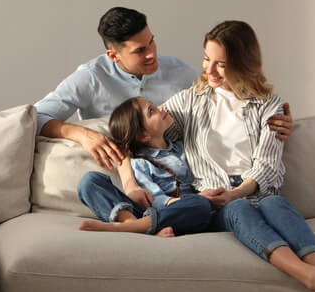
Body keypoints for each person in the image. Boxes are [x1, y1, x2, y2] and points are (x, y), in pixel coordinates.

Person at [160, 20, 315, 292]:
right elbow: (145, 131)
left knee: (275, 203)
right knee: (237, 209)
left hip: (256, 190)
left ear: (243, 63)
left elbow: (268, 164)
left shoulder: (270, 106)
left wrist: (239, 191)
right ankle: (311, 277)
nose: (210, 71)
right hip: (214, 198)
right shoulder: (188, 102)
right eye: (207, 60)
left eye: (221, 64)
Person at [35, 7, 294, 209]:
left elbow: (229, 98)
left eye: (152, 42)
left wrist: (274, 119)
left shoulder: (180, 72)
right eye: (140, 51)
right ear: (113, 56)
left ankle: (159, 219)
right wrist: (82, 134)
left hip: (181, 185)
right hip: (128, 176)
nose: (152, 54)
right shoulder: (89, 77)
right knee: (91, 183)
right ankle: (134, 221)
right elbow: (33, 117)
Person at [76, 97, 216, 237]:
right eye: (151, 111)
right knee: (89, 181)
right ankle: (132, 224)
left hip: (181, 215)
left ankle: (139, 229)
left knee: (201, 205)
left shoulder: (182, 146)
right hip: (152, 212)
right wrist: (185, 201)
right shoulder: (141, 162)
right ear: (143, 135)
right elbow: (153, 200)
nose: (162, 108)